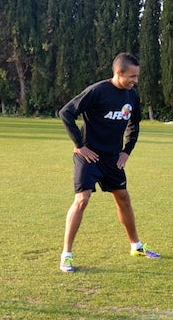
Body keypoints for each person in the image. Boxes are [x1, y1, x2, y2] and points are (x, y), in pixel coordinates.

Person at [58, 52, 160, 272]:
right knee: (82, 199)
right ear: (118, 72)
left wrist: (126, 152)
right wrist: (79, 144)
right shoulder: (97, 91)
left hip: (113, 158)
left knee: (123, 198)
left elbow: (134, 124)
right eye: (132, 76)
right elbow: (66, 112)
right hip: (89, 157)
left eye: (137, 76)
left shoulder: (132, 96)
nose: (135, 81)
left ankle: (136, 246)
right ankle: (66, 255)